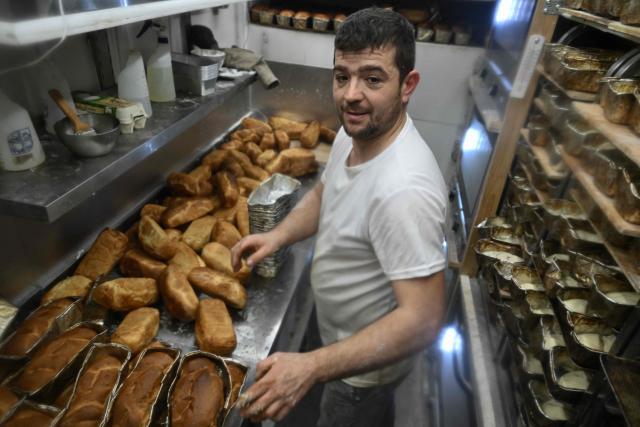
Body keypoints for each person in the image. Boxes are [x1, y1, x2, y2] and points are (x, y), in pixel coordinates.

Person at [231, 7, 447, 426]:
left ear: (408, 85)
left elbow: (423, 319)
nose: (350, 94)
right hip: (335, 327)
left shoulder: (404, 190)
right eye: (342, 76)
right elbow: (326, 193)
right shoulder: (357, 133)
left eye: (372, 78)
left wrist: (312, 366)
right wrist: (279, 235)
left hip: (362, 376)